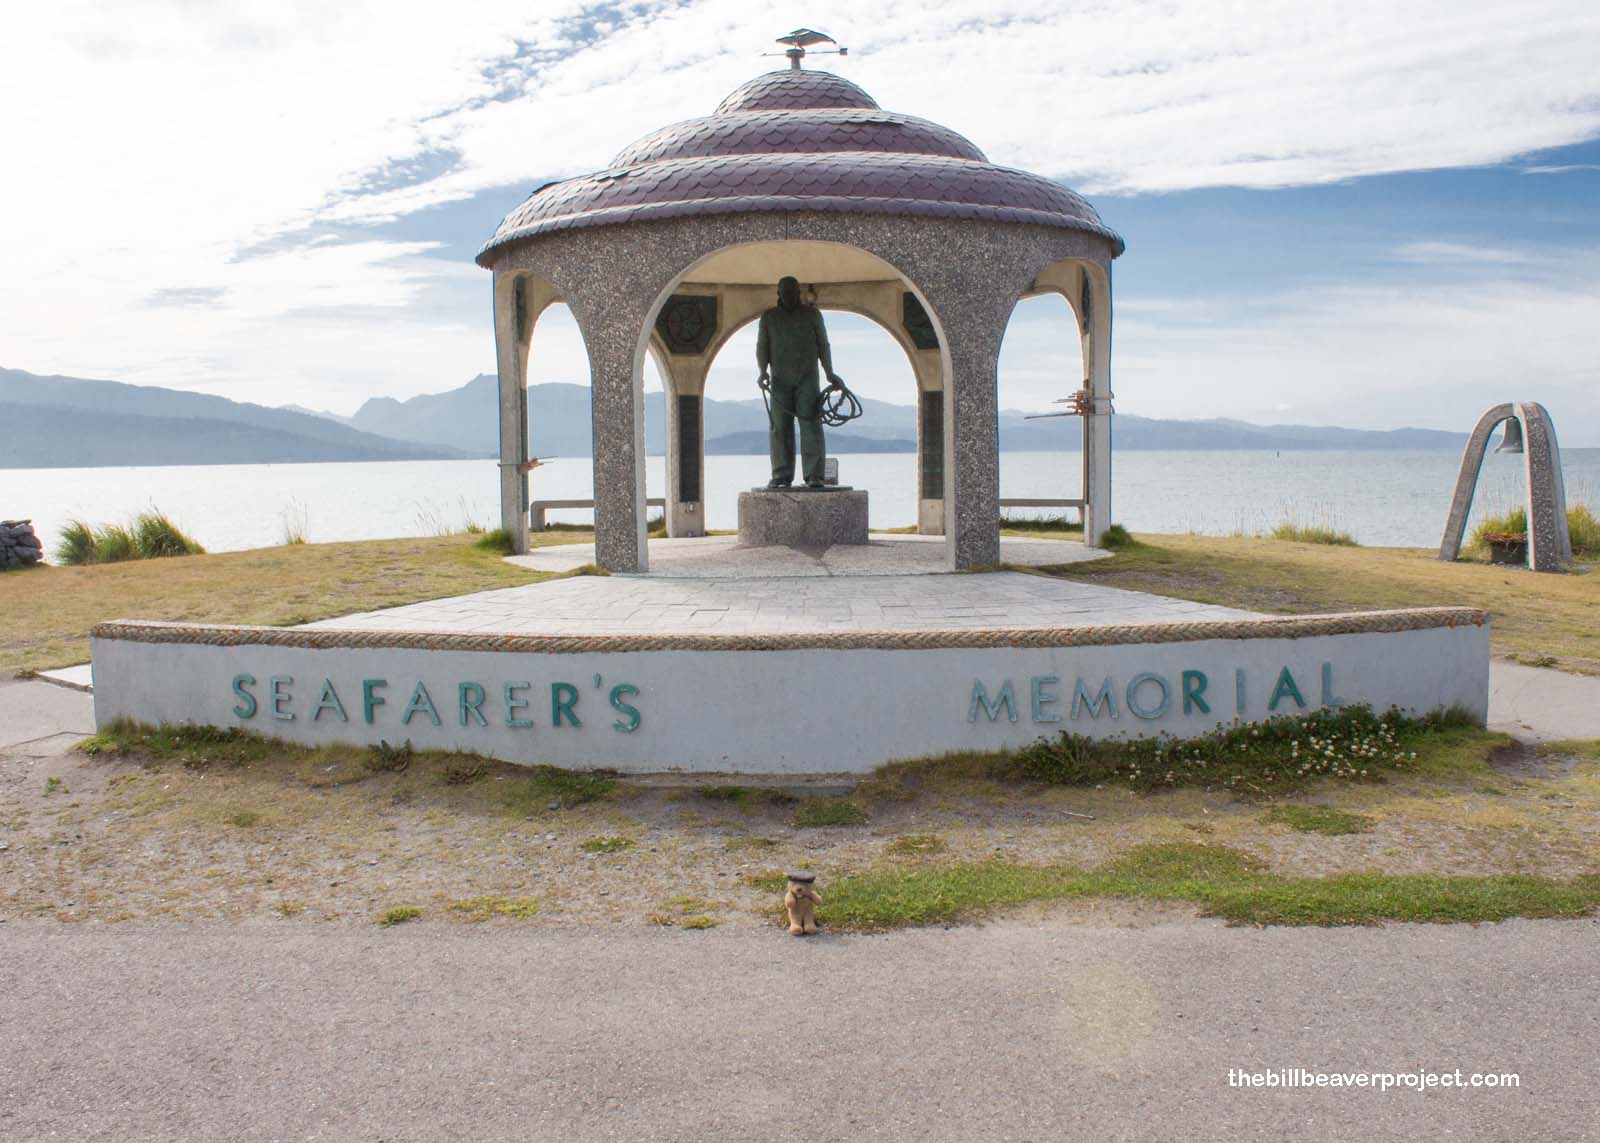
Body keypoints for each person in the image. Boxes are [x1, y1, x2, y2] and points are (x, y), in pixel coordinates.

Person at [757, 276, 841, 489]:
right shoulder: (769, 317)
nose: (790, 297)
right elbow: (762, 346)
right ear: (779, 294)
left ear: (799, 293)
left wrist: (829, 372)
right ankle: (781, 474)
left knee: (811, 424)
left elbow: (823, 344)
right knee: (779, 427)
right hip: (779, 381)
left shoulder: (812, 315)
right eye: (785, 293)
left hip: (808, 379)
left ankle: (814, 475)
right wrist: (762, 371)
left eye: (793, 293)